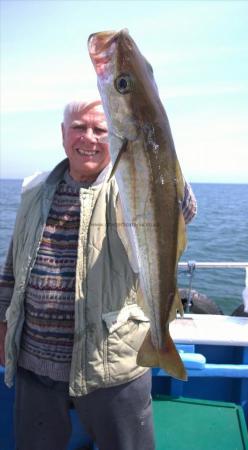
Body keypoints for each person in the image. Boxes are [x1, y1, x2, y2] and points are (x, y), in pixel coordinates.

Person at [0, 99, 197, 450]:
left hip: (113, 369)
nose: (88, 138)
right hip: (35, 367)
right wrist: (2, 324)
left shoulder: (128, 188)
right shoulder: (33, 190)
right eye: (78, 127)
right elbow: (11, 270)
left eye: (100, 129)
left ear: (118, 137)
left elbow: (182, 206)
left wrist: (155, 139)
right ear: (63, 134)